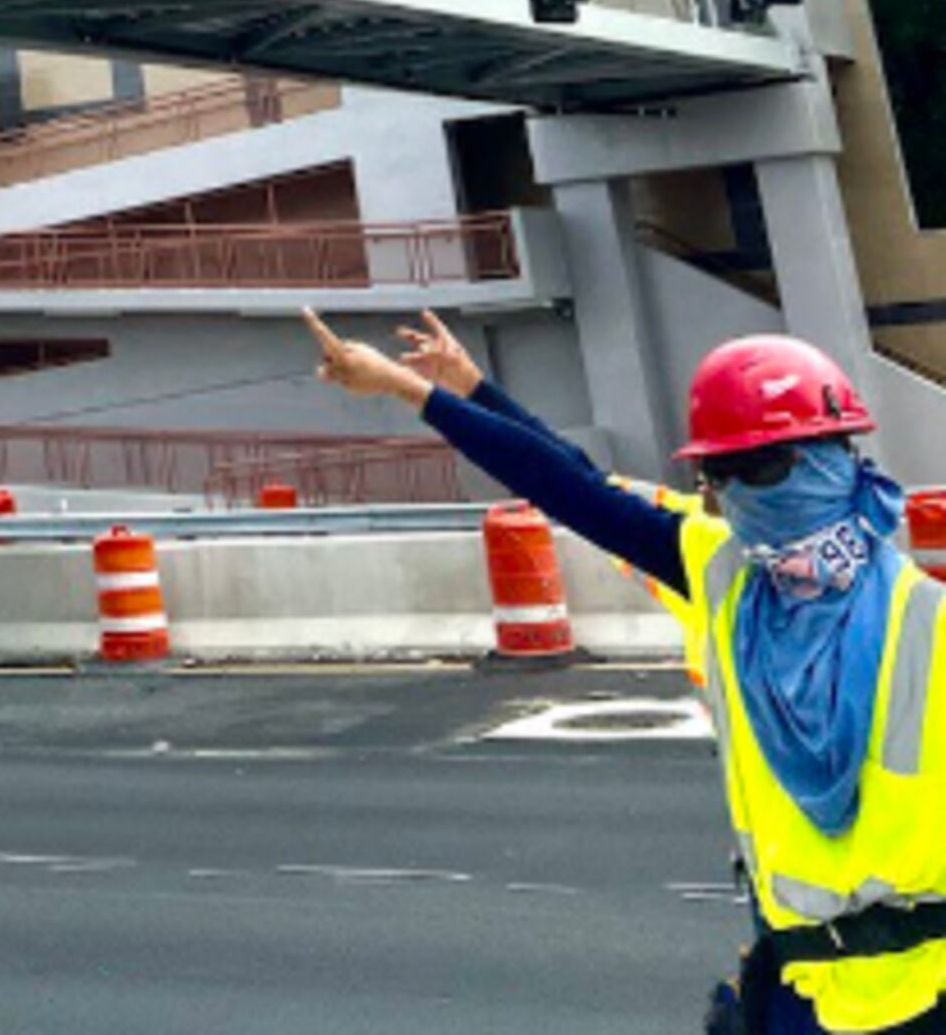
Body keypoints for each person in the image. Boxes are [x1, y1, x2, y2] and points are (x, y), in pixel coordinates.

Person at [305, 307, 946, 1033]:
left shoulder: (928, 622)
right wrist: (456, 392)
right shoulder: (720, 570)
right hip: (799, 989)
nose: (735, 493)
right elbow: (578, 489)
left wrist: (417, 392)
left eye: (758, 467)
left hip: (926, 994)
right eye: (717, 473)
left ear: (838, 457)